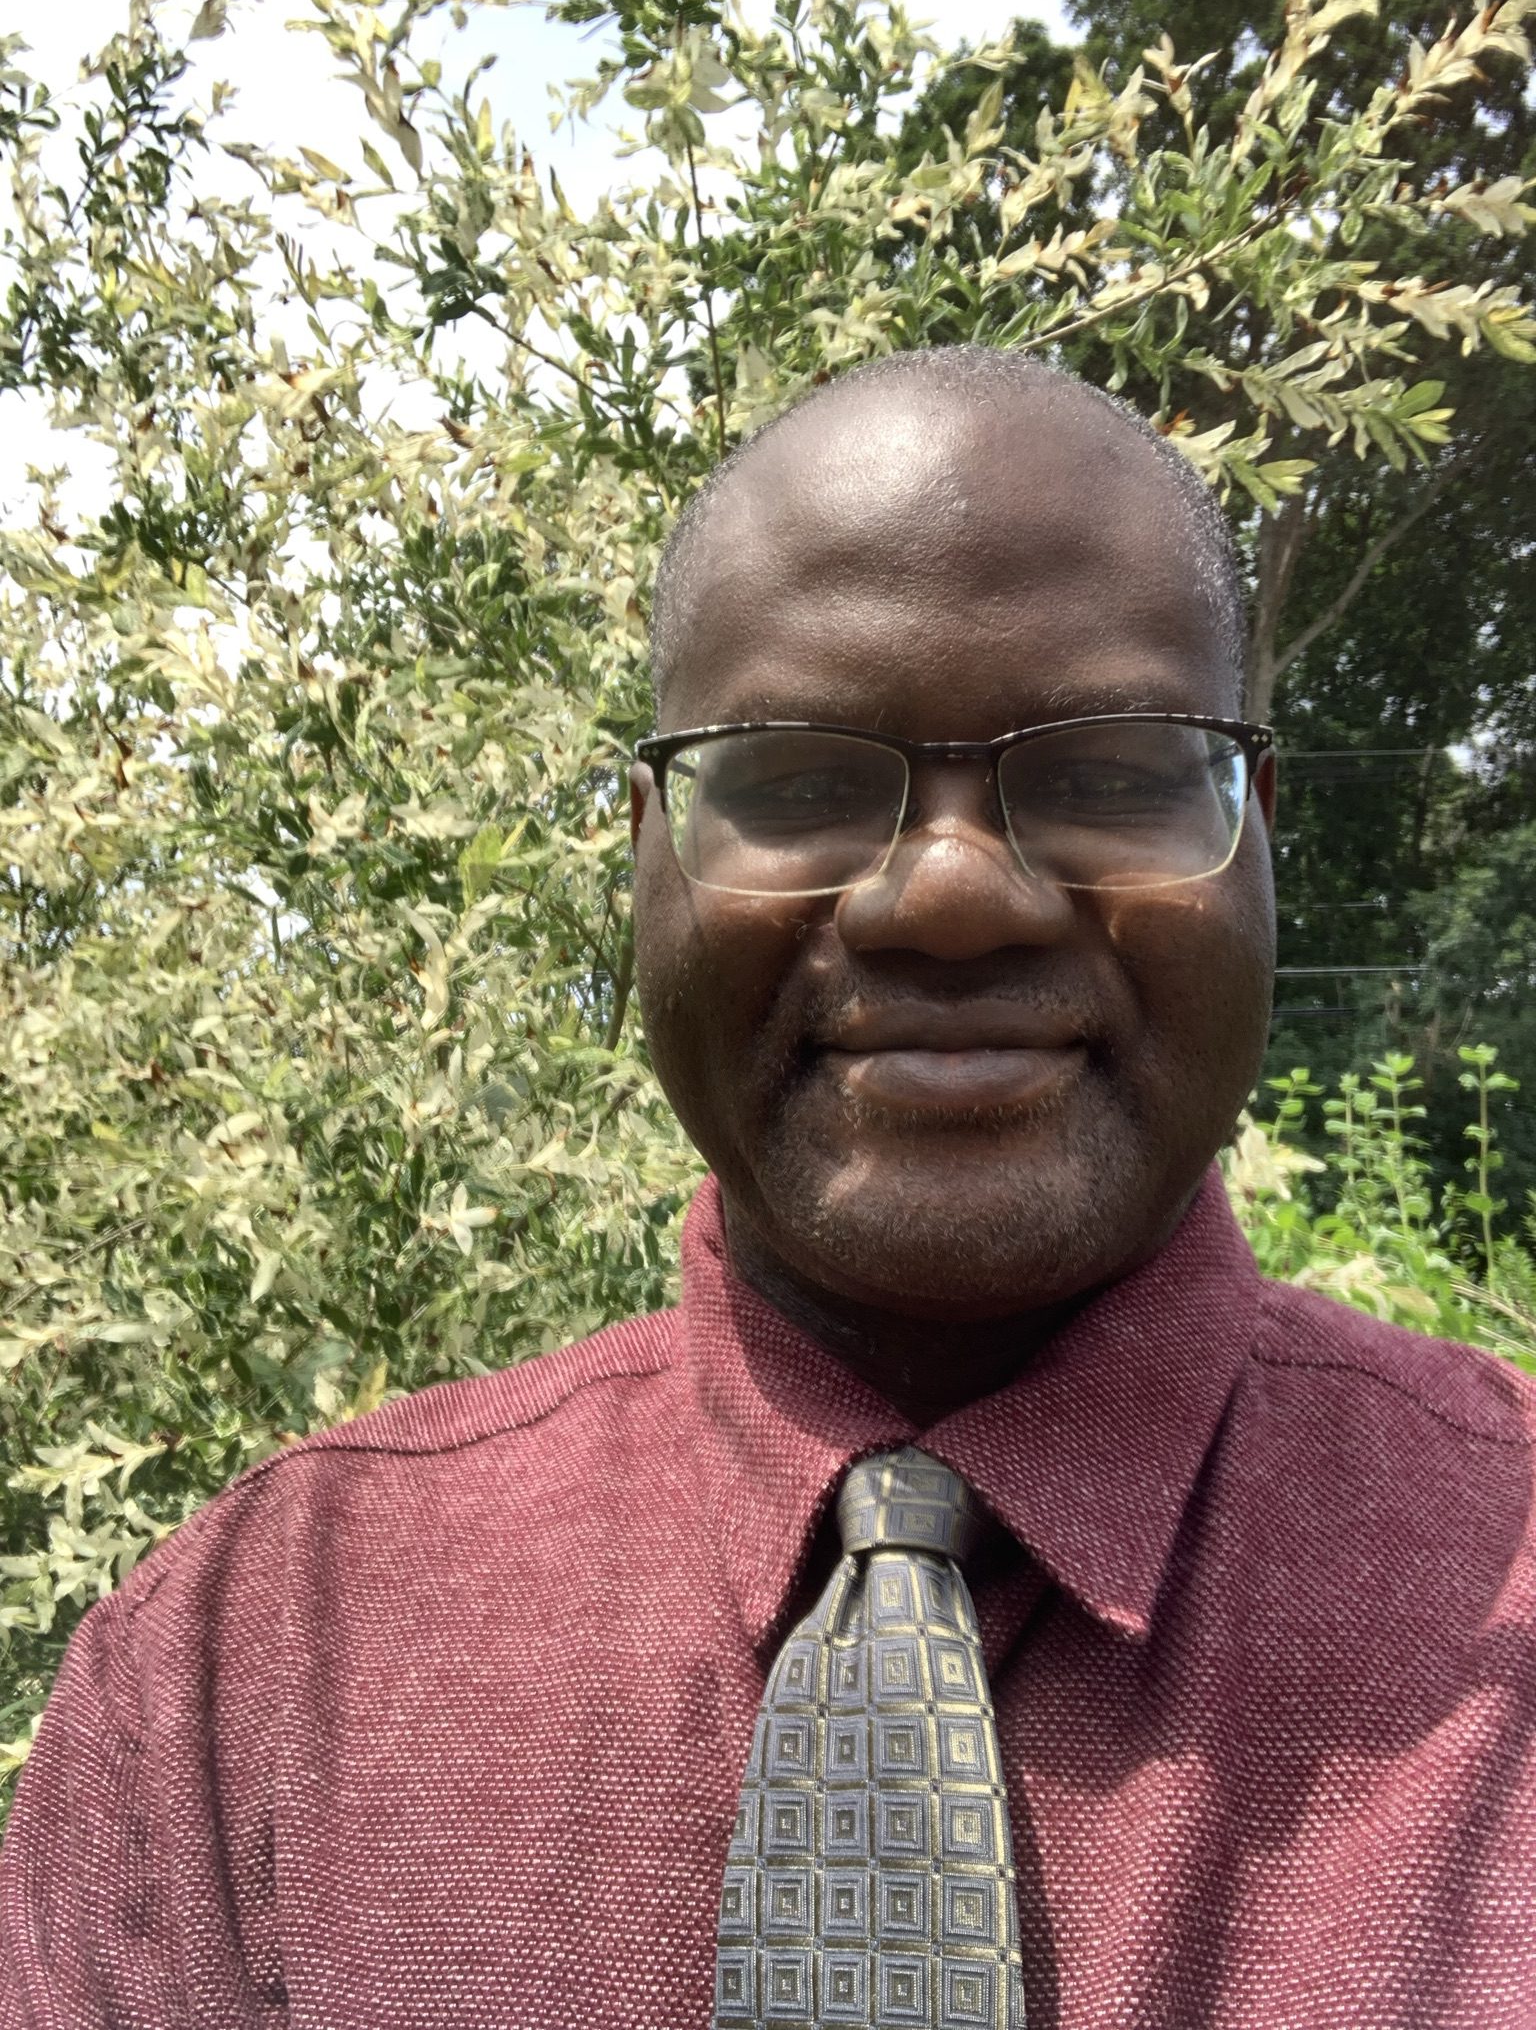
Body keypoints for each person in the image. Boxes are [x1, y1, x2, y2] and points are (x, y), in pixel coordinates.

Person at [2, 347, 1534, 2030]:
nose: (951, 895)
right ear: (645, 855)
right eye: (800, 783)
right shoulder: (243, 1679)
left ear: (1258, 835)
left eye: (1113, 772)